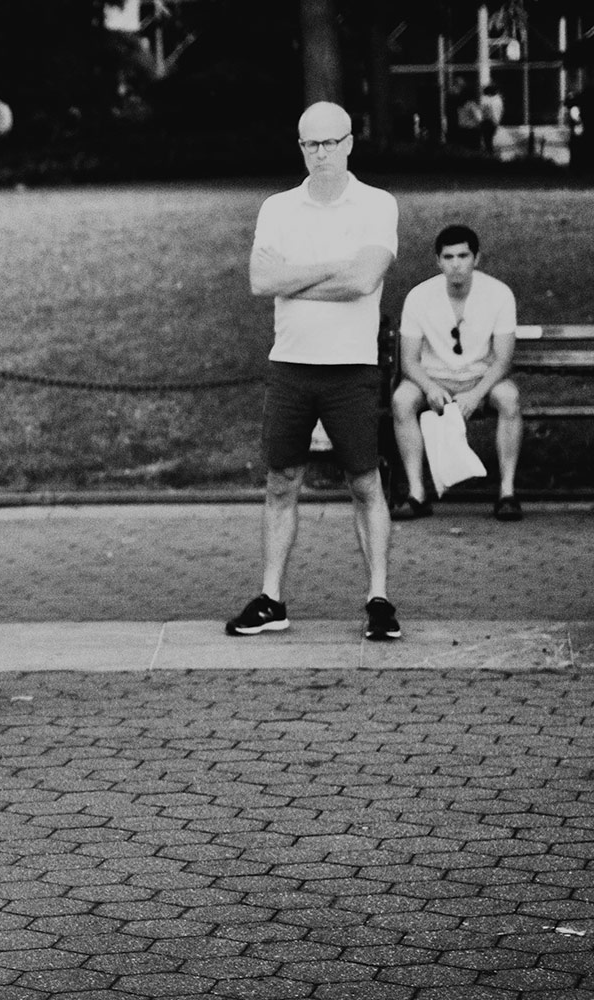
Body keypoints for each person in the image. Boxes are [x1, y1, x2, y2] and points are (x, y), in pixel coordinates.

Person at [228, 101, 402, 643]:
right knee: (281, 482)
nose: (321, 153)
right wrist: (333, 265)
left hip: (350, 368)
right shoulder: (278, 208)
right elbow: (261, 282)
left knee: (364, 482)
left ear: (350, 142)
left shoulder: (376, 205)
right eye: (310, 144)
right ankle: (272, 598)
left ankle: (378, 597)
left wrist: (294, 277)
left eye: (330, 142)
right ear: (300, 147)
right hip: (291, 365)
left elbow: (363, 281)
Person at [390, 224, 523, 522]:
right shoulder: (419, 296)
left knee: (510, 398)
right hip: (433, 378)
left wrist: (476, 394)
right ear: (438, 261)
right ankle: (416, 494)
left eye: (463, 256)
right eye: (448, 257)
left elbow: (503, 359)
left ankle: (507, 493)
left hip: (481, 379)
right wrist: (429, 388)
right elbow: (409, 360)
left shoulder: (499, 294)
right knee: (401, 400)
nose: (456, 264)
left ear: (477, 258)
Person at [480, 83, 504, 156]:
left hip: (489, 122)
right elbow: (499, 111)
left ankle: (490, 155)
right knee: (489, 140)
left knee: (487, 141)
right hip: (494, 122)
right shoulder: (498, 100)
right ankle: (490, 154)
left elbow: (489, 112)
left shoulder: (488, 100)